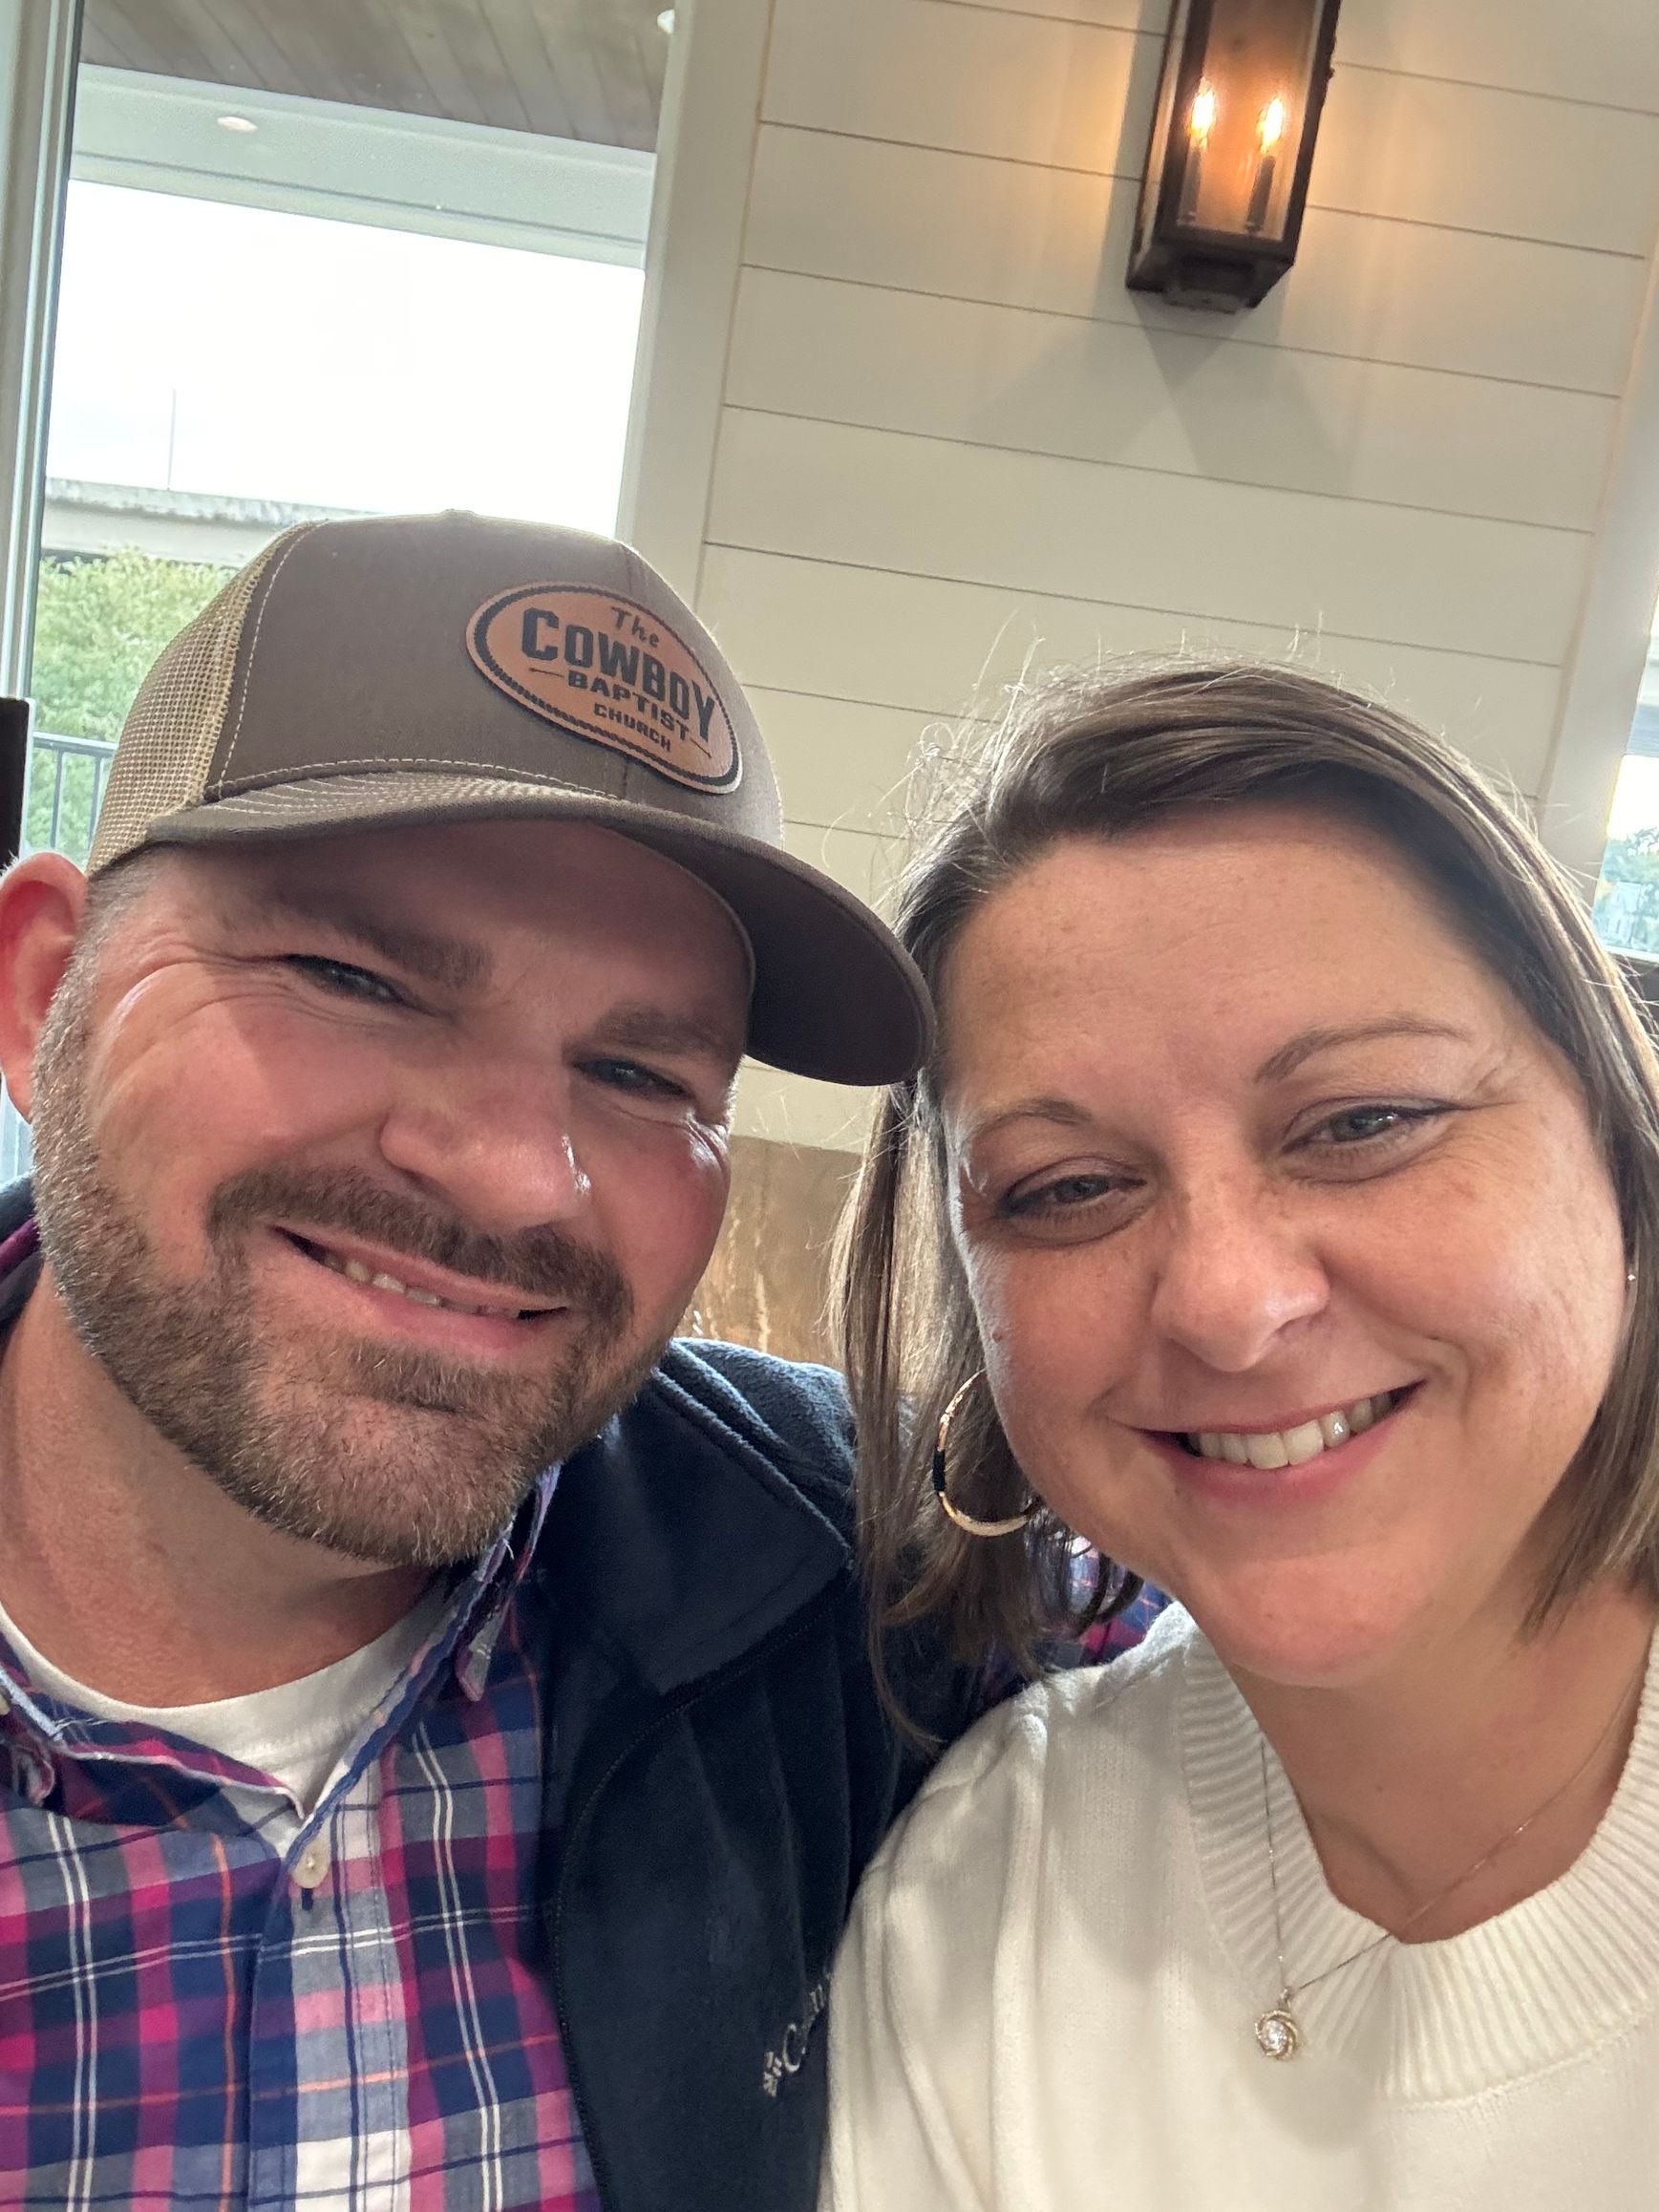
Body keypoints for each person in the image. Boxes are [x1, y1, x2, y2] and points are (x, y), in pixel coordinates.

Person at [0, 509, 970, 2212]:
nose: (523, 1174)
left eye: (647, 1077)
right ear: (43, 992)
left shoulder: (847, 1563)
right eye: (352, 974)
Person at [823, 663, 1659, 2209]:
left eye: (1361, 1122)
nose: (1224, 1301)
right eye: (1064, 1188)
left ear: (1615, 1153)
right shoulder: (995, 1892)